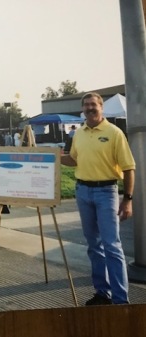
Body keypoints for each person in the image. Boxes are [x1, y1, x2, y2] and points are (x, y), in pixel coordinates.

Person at [61, 92, 135, 306]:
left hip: (106, 192)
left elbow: (129, 168)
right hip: (83, 191)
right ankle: (103, 293)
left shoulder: (114, 133)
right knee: (94, 246)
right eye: (86, 105)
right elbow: (73, 160)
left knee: (112, 246)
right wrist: (50, 158)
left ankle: (121, 301)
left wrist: (128, 199)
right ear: (82, 109)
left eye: (94, 104)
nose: (90, 108)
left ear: (101, 107)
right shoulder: (79, 134)